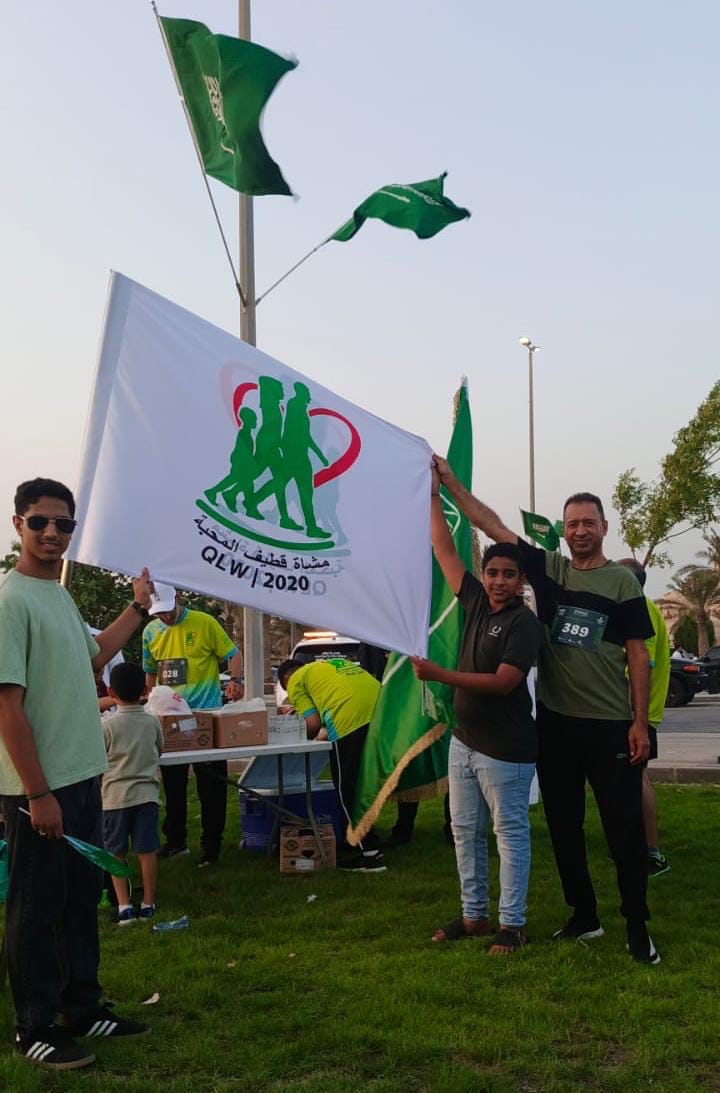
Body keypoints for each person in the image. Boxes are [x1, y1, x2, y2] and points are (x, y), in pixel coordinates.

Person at [435, 457, 660, 965]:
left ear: (604, 528)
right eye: (572, 523)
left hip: (611, 726)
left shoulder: (622, 583)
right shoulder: (550, 570)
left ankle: (637, 925)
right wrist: (451, 484)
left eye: (589, 523)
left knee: (623, 828)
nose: (580, 531)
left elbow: (637, 654)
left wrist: (639, 722)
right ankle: (584, 916)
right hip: (556, 725)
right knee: (564, 826)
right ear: (564, 529)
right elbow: (491, 525)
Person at [0, 477, 153, 1071]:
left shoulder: (57, 596)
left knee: (78, 902)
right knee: (36, 909)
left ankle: (81, 1008)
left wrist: (138, 607)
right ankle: (34, 1026)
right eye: (40, 521)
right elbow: (8, 708)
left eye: (63, 524)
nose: (52, 533)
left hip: (85, 776)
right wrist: (37, 793)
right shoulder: (10, 602)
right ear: (18, 524)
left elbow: (95, 655)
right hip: (39, 786)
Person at [410, 470, 541, 953]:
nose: (499, 582)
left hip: (505, 750)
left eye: (508, 575)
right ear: (483, 575)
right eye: (492, 573)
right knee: (465, 832)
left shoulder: (524, 624)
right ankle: (474, 917)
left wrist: (441, 675)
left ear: (521, 581)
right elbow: (444, 550)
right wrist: (432, 496)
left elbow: (504, 682)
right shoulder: (477, 603)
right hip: (464, 742)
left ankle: (512, 924)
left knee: (509, 834)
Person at [143, 583, 243, 866]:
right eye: (158, 613)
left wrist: (236, 680)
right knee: (173, 784)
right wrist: (149, 700)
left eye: (167, 610)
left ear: (178, 598)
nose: (164, 617)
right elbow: (150, 671)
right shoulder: (150, 631)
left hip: (205, 715)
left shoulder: (204, 622)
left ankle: (212, 847)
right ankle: (176, 841)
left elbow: (233, 654)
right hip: (170, 718)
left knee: (211, 784)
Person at [277, 657, 386, 872]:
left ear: (286, 679)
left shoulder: (296, 681)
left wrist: (295, 734)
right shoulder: (329, 665)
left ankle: (368, 853)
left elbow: (313, 724)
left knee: (347, 789)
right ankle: (363, 841)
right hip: (382, 714)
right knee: (365, 783)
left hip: (350, 721)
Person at [357, 641, 453, 847]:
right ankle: (403, 828)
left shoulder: (439, 634)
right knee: (409, 765)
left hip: (439, 704)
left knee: (450, 766)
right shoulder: (379, 641)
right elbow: (372, 671)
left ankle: (453, 828)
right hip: (403, 707)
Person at [618, 559, 672, 876]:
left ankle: (652, 854)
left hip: (637, 714)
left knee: (637, 780)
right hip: (633, 713)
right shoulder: (637, 609)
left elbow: (642, 666)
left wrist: (633, 717)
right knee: (630, 781)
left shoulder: (643, 610)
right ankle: (634, 846)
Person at [102, 662, 164, 923]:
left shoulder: (106, 726)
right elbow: (160, 749)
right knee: (146, 851)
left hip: (114, 798)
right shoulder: (152, 721)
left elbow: (99, 760)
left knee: (115, 853)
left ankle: (124, 905)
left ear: (110, 692)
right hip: (146, 796)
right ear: (145, 690)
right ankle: (148, 902)